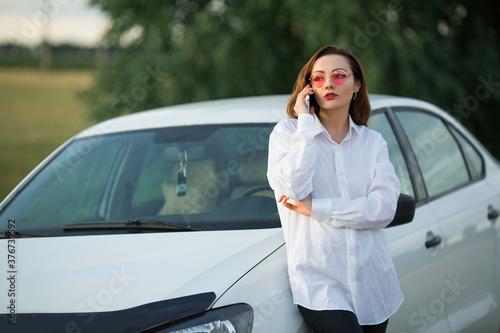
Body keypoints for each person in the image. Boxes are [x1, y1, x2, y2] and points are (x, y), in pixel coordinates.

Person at [266, 45, 403, 333]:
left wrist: (317, 209)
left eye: (339, 76)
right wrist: (305, 124)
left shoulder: (373, 142)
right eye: (318, 78)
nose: (328, 83)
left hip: (373, 284)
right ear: (308, 88)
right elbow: (292, 187)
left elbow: (383, 209)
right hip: (319, 282)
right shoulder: (287, 135)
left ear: (357, 85)